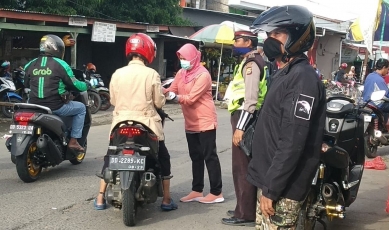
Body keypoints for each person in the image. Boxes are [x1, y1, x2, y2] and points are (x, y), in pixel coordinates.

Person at [248, 5, 326, 229]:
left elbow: (293, 140)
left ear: (297, 37)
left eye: (277, 34)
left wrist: (271, 190)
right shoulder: (286, 72)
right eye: (269, 34)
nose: (270, 40)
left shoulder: (303, 79)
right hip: (272, 180)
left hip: (283, 188)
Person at [94, 33, 177, 211]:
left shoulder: (117, 73)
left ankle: (100, 198)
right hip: (146, 124)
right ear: (148, 52)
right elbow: (159, 102)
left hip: (120, 123)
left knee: (111, 155)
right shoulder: (151, 74)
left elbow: (114, 100)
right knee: (162, 157)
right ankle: (167, 199)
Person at [164, 43, 224, 204]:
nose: (183, 61)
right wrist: (158, 90)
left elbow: (190, 98)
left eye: (185, 58)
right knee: (196, 157)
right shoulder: (182, 73)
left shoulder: (203, 75)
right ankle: (197, 190)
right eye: (181, 58)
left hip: (205, 121)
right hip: (190, 122)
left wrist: (174, 97)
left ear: (193, 58)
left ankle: (216, 192)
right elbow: (173, 88)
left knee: (209, 156)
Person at [221, 31, 267, 227]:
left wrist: (240, 129)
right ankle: (243, 206)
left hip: (245, 118)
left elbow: (251, 100)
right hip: (243, 117)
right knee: (241, 165)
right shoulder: (249, 61)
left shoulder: (251, 64)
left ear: (248, 42)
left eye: (237, 40)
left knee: (243, 167)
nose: (234, 43)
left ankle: (245, 213)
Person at [24, 34, 88, 152]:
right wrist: (86, 85)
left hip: (33, 105)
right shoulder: (61, 64)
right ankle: (73, 141)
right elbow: (75, 85)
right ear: (56, 48)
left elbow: (26, 84)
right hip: (55, 106)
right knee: (81, 108)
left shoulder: (30, 64)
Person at [362, 58, 389, 138]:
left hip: (366, 103)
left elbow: (376, 89)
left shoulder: (370, 76)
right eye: (388, 69)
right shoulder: (379, 79)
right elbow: (388, 96)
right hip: (377, 104)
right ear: (384, 67)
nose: (388, 71)